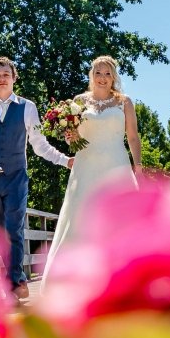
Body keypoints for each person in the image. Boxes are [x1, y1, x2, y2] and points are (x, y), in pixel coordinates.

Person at [0, 57, 74, 300]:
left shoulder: (27, 107)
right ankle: (16, 280)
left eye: (6, 74)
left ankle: (14, 283)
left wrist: (65, 160)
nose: (2, 78)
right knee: (0, 231)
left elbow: (38, 145)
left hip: (16, 177)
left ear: (14, 78)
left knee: (14, 228)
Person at [41, 55, 141, 282]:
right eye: (98, 73)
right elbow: (72, 140)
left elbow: (133, 137)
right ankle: (75, 278)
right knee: (81, 216)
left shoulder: (124, 102)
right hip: (85, 166)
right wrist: (70, 136)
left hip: (116, 164)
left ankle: (121, 276)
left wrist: (138, 167)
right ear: (91, 75)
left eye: (107, 74)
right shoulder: (78, 102)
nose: (102, 78)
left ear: (114, 77)